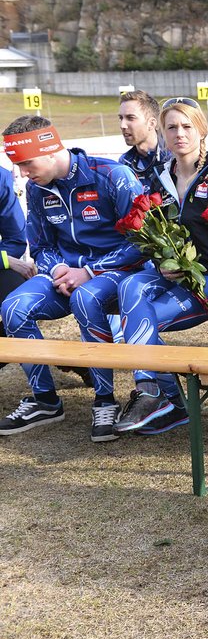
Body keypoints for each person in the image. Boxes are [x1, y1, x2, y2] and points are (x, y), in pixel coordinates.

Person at [112, 98, 208, 435]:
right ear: (162, 132)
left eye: (187, 126)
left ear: (201, 130)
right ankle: (162, 395)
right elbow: (153, 232)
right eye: (171, 127)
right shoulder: (159, 177)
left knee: (138, 327)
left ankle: (161, 397)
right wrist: (162, 263)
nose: (179, 134)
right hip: (178, 276)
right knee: (129, 287)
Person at [0, 116, 143, 441]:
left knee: (86, 296)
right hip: (65, 276)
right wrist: (58, 270)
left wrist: (89, 272)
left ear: (51, 151)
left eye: (26, 163)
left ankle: (105, 399)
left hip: (115, 275)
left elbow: (141, 243)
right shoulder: (38, 189)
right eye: (16, 165)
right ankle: (45, 401)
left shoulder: (112, 176)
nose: (21, 174)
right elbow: (39, 246)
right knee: (13, 306)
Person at [0, 166, 32, 351]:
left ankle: (69, 361)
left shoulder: (2, 177)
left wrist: (4, 259)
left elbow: (15, 239)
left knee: (21, 297)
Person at [118, 90, 169, 191]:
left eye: (130, 118)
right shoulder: (124, 162)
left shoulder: (174, 157)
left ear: (151, 123)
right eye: (121, 118)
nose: (122, 125)